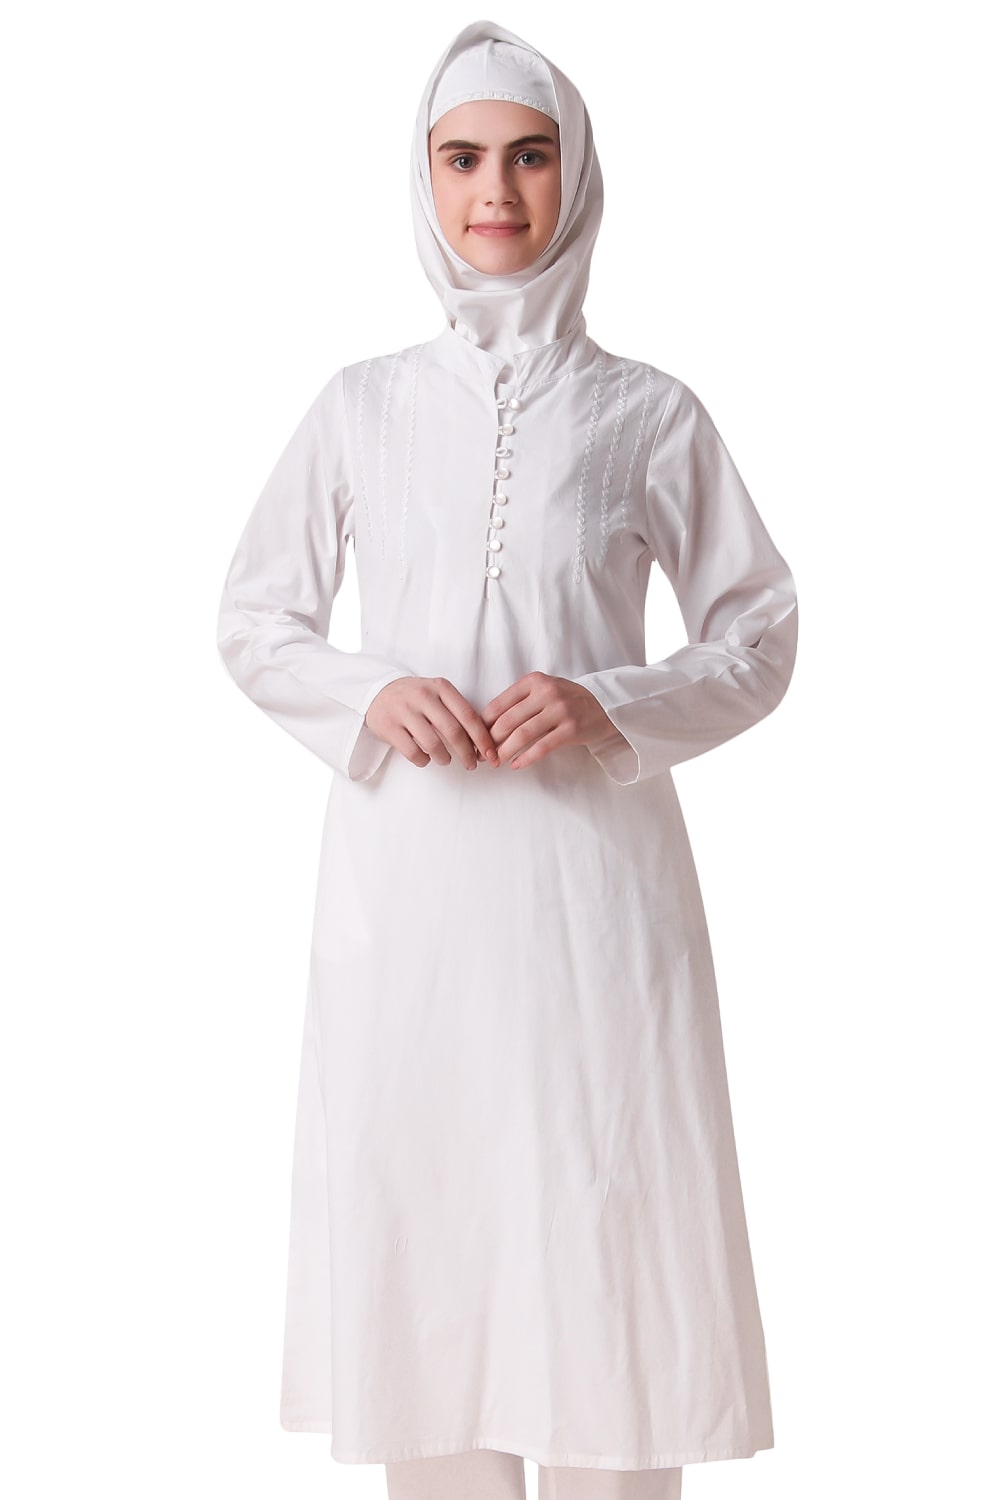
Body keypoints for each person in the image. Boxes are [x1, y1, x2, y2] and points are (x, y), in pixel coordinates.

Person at [216, 18, 798, 1500]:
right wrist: (368, 697)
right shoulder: (361, 406)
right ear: (423, 180)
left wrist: (609, 704)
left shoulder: (648, 411)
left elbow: (759, 632)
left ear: (577, 176)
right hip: (408, 905)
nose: (496, 191)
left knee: (605, 1238)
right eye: (463, 158)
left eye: (530, 157)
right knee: (431, 1243)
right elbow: (256, 617)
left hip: (593, 905)